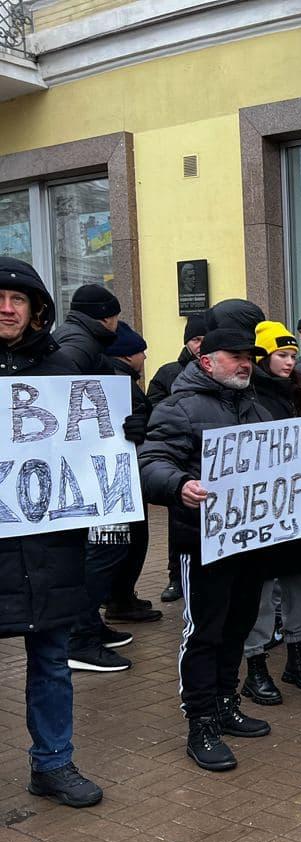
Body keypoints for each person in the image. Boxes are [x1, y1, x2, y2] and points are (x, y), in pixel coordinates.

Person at [139, 326, 277, 771]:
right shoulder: (177, 408)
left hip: (250, 540)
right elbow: (150, 463)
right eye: (234, 356)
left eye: (249, 357)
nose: (244, 363)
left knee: (237, 626)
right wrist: (179, 484)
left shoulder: (256, 407)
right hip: (201, 541)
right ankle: (200, 722)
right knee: (204, 632)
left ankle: (224, 703)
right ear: (206, 361)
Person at [0, 258, 104, 807]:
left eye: (18, 299)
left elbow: (90, 452)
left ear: (37, 310)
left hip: (50, 547)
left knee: (50, 661)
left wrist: (123, 431)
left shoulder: (63, 369)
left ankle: (53, 765)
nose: (6, 307)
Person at [56, 285, 144, 672]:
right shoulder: (78, 346)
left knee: (101, 549)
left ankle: (89, 623)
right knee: (104, 548)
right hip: (89, 470)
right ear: (106, 316)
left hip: (92, 466)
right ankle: (79, 637)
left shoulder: (79, 340)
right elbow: (68, 404)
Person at [239, 321, 301, 706]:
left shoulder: (297, 393)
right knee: (261, 589)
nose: (290, 362)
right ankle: (256, 666)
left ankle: (296, 657)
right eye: (282, 355)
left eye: (293, 355)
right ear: (263, 357)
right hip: (264, 512)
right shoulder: (248, 397)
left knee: (298, 584)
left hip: (300, 509)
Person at [101, 322, 161, 626]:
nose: (145, 357)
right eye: (141, 351)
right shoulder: (121, 383)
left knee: (119, 543)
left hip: (117, 481)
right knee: (128, 542)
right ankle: (120, 600)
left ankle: (121, 597)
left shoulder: (117, 378)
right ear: (126, 355)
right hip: (123, 482)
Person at [148, 315, 206, 603]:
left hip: (208, 460)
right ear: (187, 342)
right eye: (195, 340)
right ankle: (176, 576)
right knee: (179, 524)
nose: (200, 346)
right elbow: (156, 408)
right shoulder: (168, 372)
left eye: (205, 341)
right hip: (180, 462)